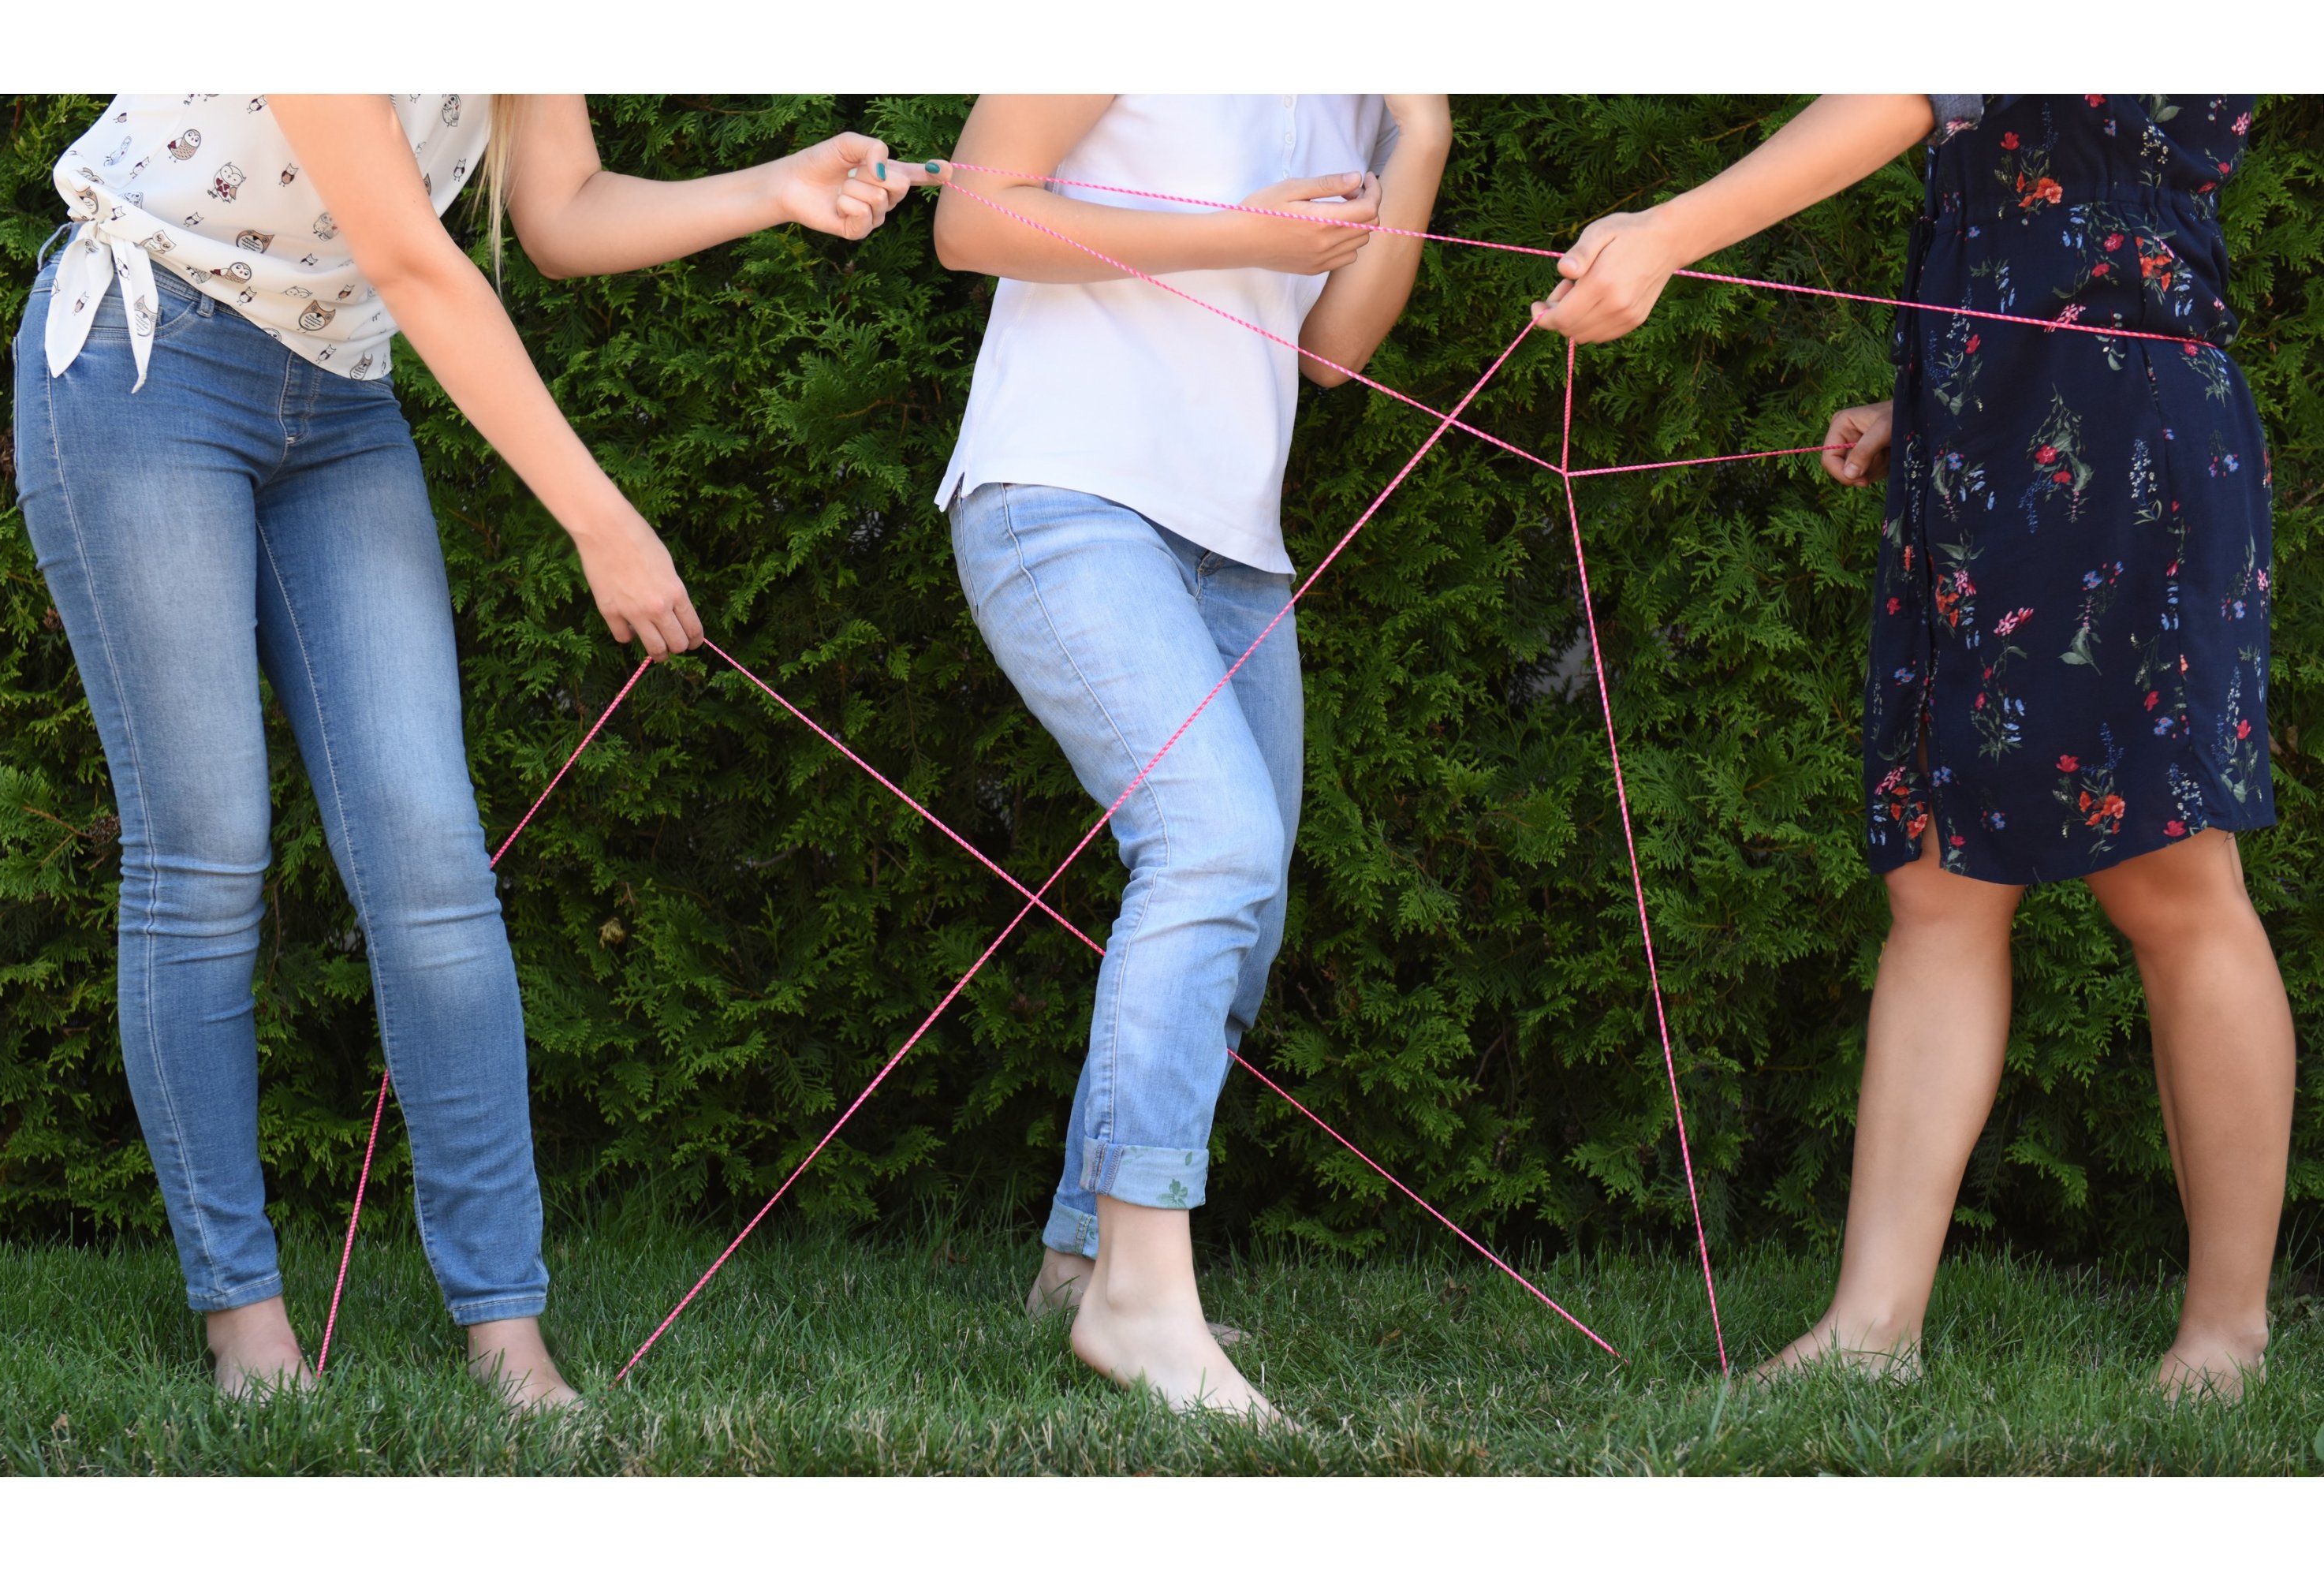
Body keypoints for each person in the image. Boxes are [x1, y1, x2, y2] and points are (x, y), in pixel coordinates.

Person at [14, 93, 924, 1405]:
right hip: (144, 353)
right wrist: (602, 521)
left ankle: (508, 1339)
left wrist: (773, 187)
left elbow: (561, 211)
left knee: (433, 859)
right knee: (206, 854)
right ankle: (247, 1328)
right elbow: (412, 257)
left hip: (337, 394)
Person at [1531, 95, 2292, 1397]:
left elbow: (1918, 86)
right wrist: (1930, 396)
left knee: (2171, 876)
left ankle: (2229, 1337)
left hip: (2124, 426)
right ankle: (1872, 1332)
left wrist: (1666, 234)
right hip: (1984, 426)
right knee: (1938, 879)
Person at [931, 93, 1451, 1418]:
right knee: (1212, 845)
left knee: (1243, 912)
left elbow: (1333, 351)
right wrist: (1238, 232)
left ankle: (1081, 1266)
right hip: (1064, 492)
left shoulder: (1362, 84)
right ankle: (1143, 1302)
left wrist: (1429, 127)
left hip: (1235, 548)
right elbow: (971, 218)